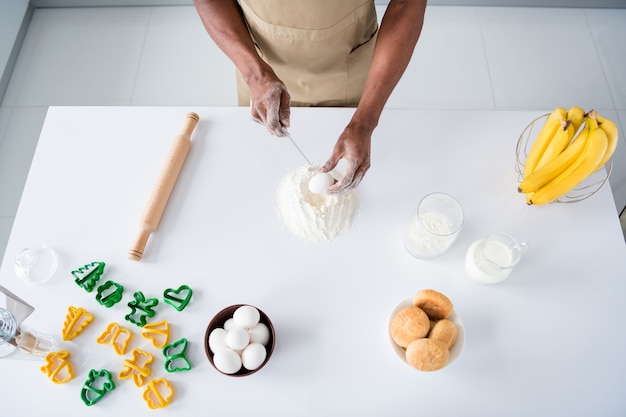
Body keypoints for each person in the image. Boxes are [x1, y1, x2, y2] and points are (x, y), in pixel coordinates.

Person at [193, 0, 427, 194]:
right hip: (258, 66)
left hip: (349, 70)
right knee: (259, 178)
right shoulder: (255, 72)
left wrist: (365, 122)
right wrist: (254, 73)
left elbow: (407, 4)